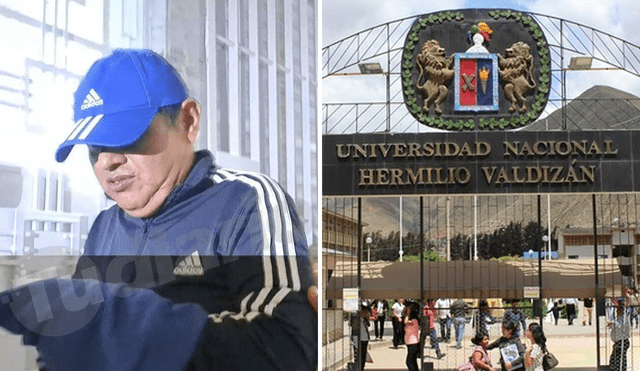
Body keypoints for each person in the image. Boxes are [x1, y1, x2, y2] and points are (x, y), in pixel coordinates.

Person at [0, 49, 317, 370]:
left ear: (188, 121)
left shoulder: (245, 201)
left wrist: (117, 321)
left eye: (124, 137)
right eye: (94, 147)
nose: (107, 161)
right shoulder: (104, 228)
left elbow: (289, 349)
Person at [608, 298, 631, 370]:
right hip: (620, 341)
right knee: (618, 360)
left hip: (622, 341)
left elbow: (620, 325)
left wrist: (612, 323)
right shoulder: (620, 316)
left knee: (617, 361)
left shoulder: (623, 316)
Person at [351, 306, 371, 371]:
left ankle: (362, 368)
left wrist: (367, 319)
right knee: (359, 356)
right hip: (359, 340)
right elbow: (354, 331)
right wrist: (355, 342)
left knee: (363, 355)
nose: (366, 314)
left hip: (365, 339)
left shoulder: (364, 320)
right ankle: (359, 368)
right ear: (360, 312)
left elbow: (368, 325)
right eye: (364, 312)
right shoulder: (357, 320)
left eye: (366, 312)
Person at [404, 302, 421, 371]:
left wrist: (408, 312)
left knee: (409, 362)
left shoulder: (414, 321)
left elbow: (405, 321)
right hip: (409, 343)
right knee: (413, 361)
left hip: (414, 343)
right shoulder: (411, 320)